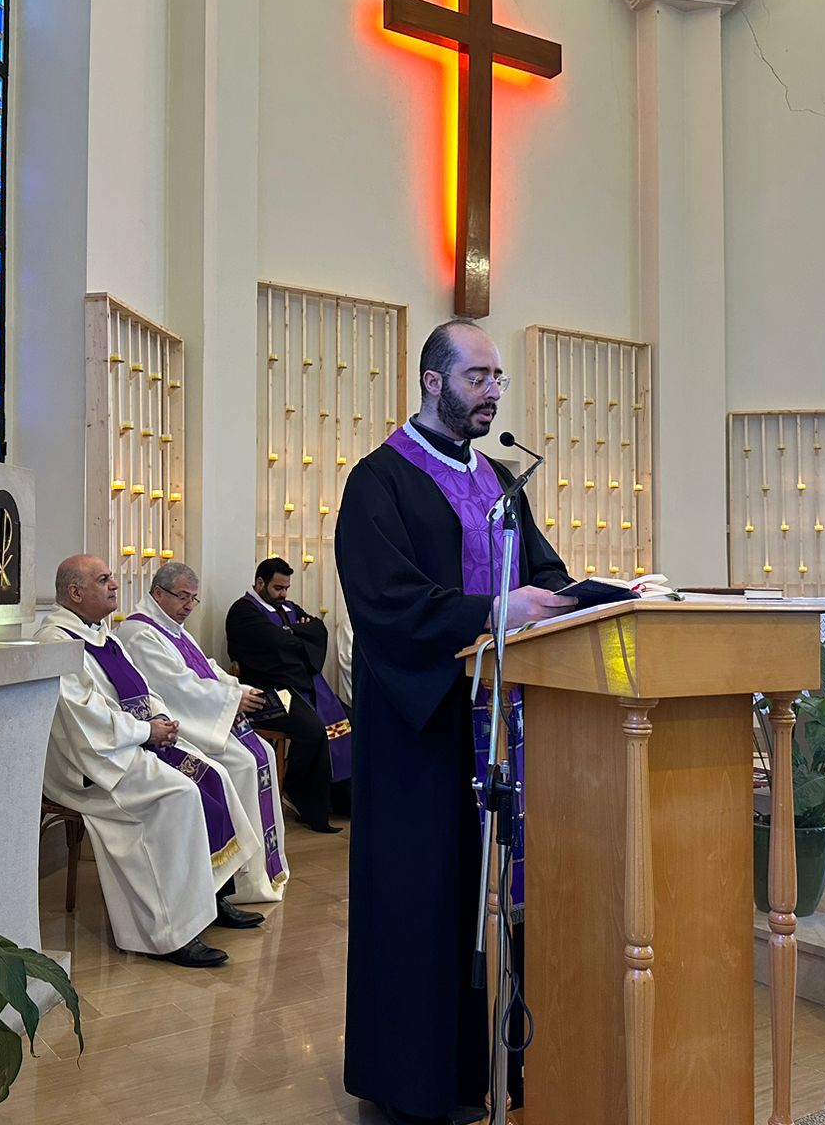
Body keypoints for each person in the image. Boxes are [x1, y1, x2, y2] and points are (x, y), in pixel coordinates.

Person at [335, 318, 576, 1125]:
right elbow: (386, 605)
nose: (494, 392)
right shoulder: (380, 480)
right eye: (478, 377)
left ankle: (493, 1070)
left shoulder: (503, 479)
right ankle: (414, 1081)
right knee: (422, 902)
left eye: (499, 378)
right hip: (423, 730)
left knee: (499, 903)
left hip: (501, 727)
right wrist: (491, 610)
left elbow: (544, 573)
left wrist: (593, 597)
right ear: (432, 382)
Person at [34, 555, 265, 968]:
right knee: (177, 796)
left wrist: (159, 717)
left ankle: (214, 896)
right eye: (103, 580)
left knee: (213, 777)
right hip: (91, 763)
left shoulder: (103, 633)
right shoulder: (56, 642)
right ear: (75, 592)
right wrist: (146, 732)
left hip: (131, 743)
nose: (114, 585)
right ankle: (169, 932)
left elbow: (142, 685)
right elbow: (84, 718)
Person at [118, 561, 291, 903]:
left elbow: (206, 668)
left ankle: (260, 870)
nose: (188, 606)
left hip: (205, 716)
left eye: (193, 599)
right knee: (243, 765)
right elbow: (177, 687)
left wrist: (239, 689)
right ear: (158, 593)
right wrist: (231, 698)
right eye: (182, 597)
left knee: (264, 755)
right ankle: (239, 880)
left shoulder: (173, 628)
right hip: (178, 726)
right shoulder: (139, 632)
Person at [225, 558, 346, 833]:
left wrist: (292, 633)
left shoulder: (288, 608)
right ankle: (300, 795)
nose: (284, 594)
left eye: (286, 588)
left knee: (349, 720)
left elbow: (317, 630)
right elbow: (275, 645)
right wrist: (296, 635)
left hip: (297, 684)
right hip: (266, 693)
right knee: (313, 729)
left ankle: (340, 801)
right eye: (278, 588)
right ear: (260, 583)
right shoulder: (243, 611)